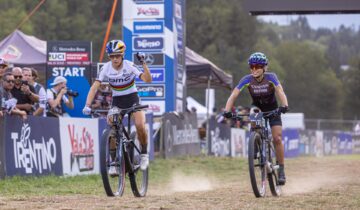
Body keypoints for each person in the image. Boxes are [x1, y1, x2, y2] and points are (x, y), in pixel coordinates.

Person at [83, 39, 152, 173]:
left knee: (139, 125)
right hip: (117, 101)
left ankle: (144, 154)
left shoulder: (129, 65)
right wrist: (87, 105)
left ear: (122, 55)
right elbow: (94, 88)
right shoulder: (106, 68)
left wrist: (143, 63)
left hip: (133, 99)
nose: (115, 59)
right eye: (112, 56)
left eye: (117, 56)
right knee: (112, 127)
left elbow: (147, 79)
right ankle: (114, 162)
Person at [223, 52, 289, 185]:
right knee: (254, 117)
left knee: (277, 138)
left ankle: (281, 169)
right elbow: (234, 95)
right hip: (257, 107)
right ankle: (256, 143)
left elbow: (280, 91)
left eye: (257, 66)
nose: (254, 69)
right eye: (251, 66)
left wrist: (284, 105)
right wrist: (227, 110)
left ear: (264, 67)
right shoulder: (247, 79)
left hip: (273, 108)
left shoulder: (271, 77)